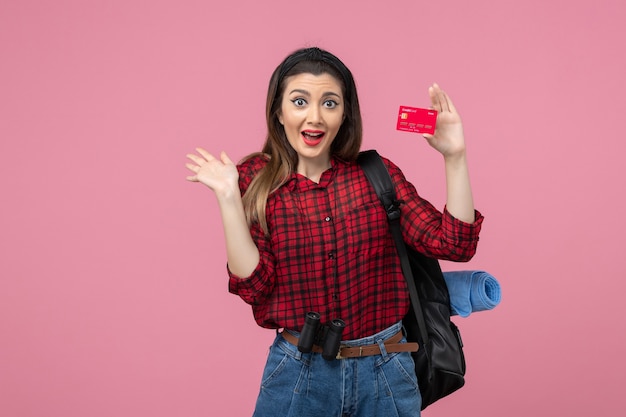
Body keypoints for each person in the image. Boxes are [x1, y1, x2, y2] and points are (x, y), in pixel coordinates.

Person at [185, 47, 483, 417]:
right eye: (299, 101)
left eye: (330, 103)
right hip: (297, 373)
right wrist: (229, 198)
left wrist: (455, 157)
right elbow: (255, 286)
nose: (315, 117)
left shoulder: (377, 175)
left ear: (345, 114)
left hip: (386, 370)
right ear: (278, 112)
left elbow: (455, 243)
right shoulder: (252, 181)